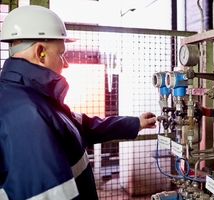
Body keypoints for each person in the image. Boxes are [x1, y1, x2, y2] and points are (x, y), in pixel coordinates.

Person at [0, 5, 156, 200]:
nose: (65, 63)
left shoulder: (32, 98)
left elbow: (83, 126)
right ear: (40, 52)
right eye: (61, 54)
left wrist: (135, 123)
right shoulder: (28, 115)